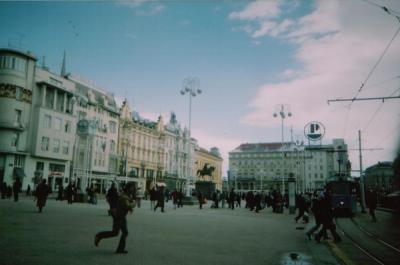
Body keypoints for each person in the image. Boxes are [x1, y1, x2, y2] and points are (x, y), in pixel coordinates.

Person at [95, 183, 136, 254]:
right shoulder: (124, 196)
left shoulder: (126, 195)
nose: (133, 189)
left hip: (120, 216)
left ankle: (120, 249)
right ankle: (99, 236)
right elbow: (127, 205)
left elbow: (126, 205)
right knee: (117, 233)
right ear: (128, 188)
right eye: (132, 188)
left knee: (119, 233)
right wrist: (133, 204)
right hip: (119, 217)